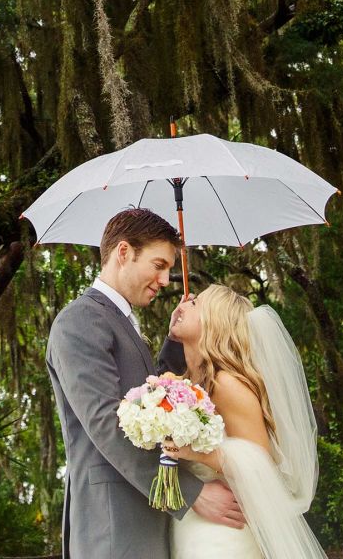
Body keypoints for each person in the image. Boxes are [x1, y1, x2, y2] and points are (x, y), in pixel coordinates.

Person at [46, 209, 246, 558]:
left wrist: (175, 342)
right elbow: (106, 422)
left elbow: (146, 401)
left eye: (169, 269)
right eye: (159, 265)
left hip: (145, 516)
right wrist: (192, 492)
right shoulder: (80, 320)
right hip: (113, 522)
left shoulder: (119, 320)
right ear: (124, 253)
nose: (166, 280)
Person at [159, 284, 326, 559]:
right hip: (189, 525)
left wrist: (194, 453)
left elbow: (261, 464)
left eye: (195, 303)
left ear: (214, 322)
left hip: (223, 531)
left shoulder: (226, 384)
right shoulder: (183, 383)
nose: (183, 304)